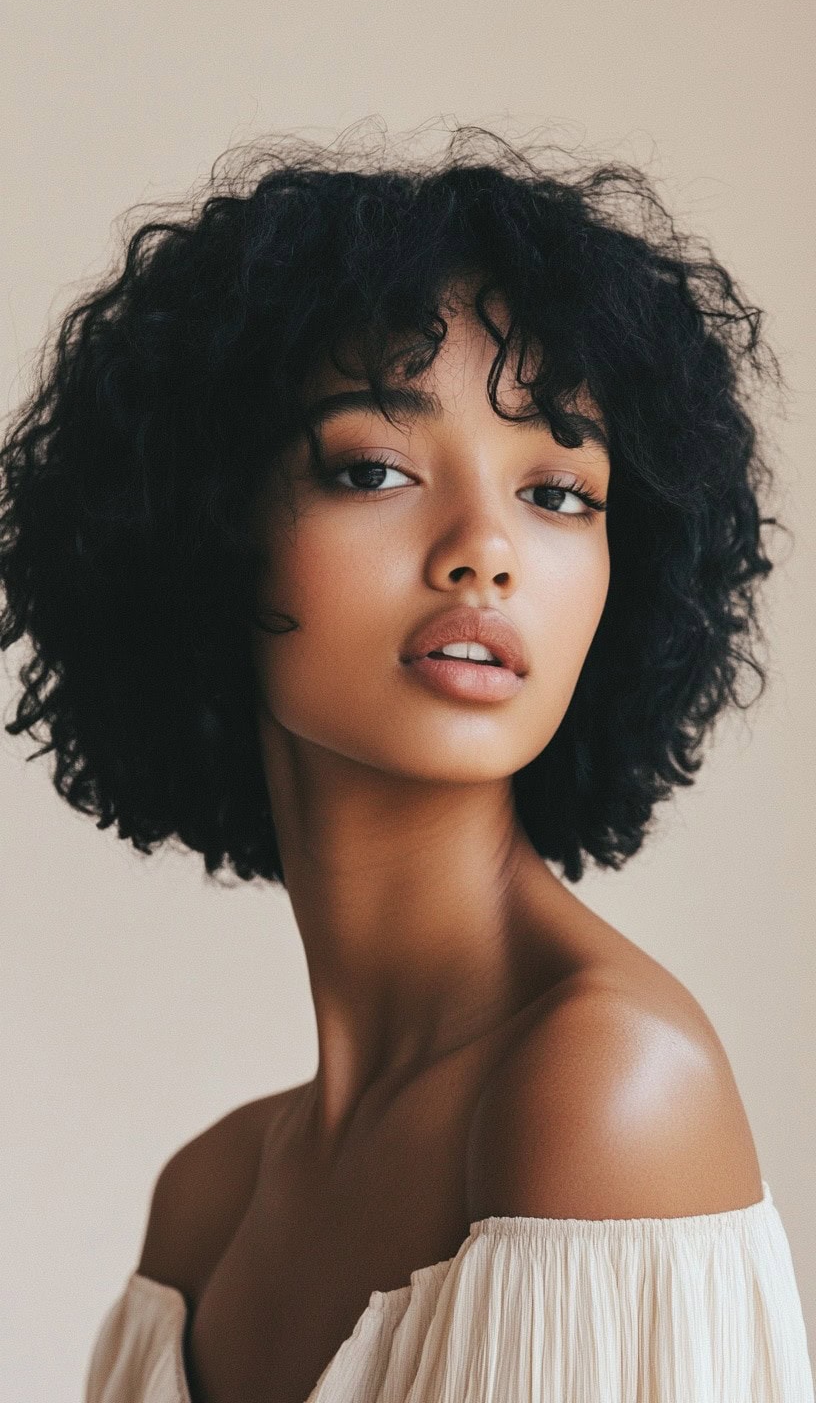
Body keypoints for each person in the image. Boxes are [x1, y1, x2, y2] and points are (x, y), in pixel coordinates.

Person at [1, 125, 812, 1402]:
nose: (484, 550)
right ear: (207, 526)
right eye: (373, 467)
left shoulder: (605, 1090)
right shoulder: (204, 1208)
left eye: (559, 492)